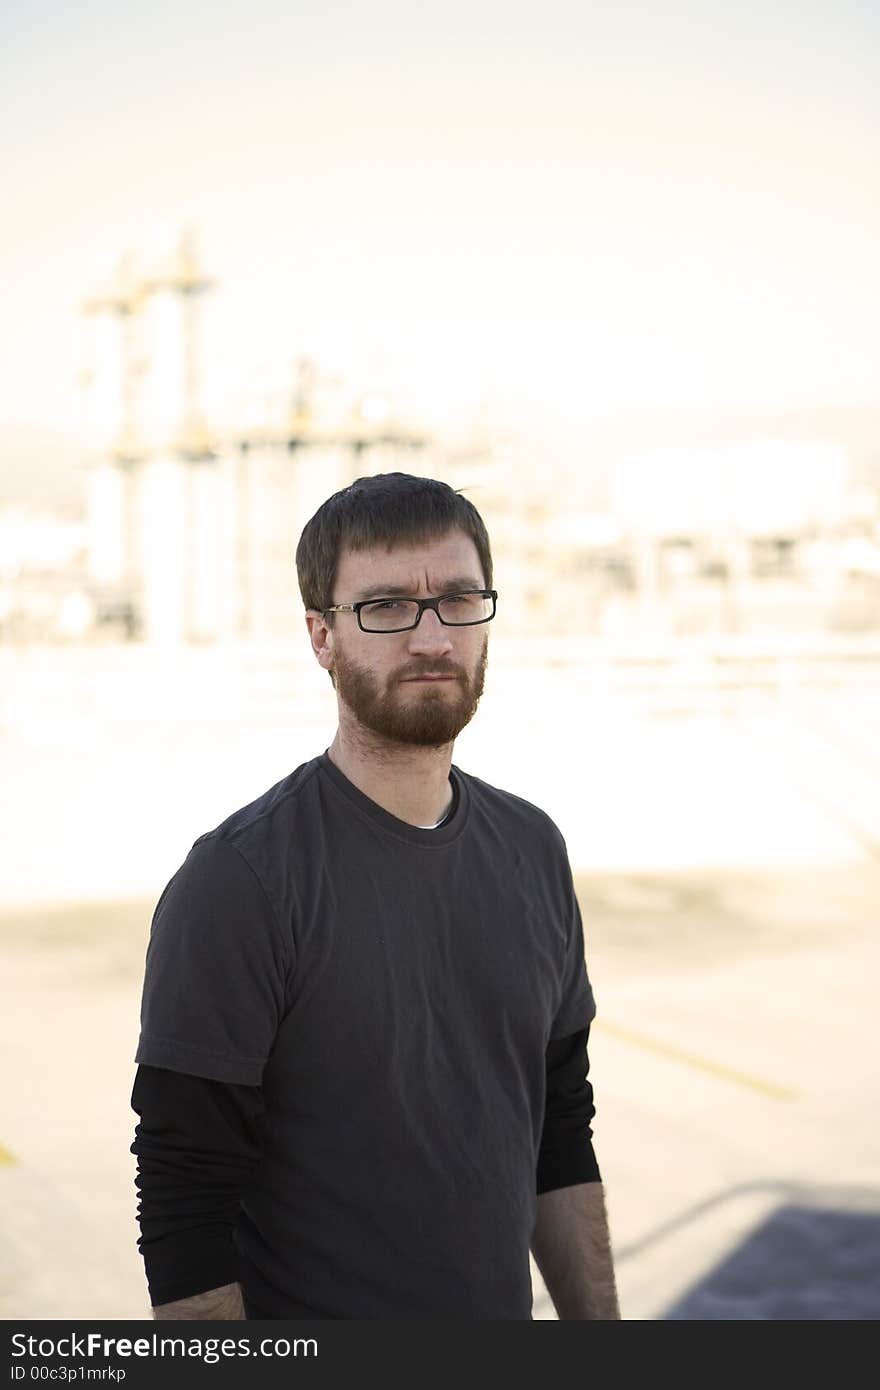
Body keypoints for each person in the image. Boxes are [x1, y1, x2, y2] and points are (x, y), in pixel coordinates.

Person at [131, 472, 619, 1320]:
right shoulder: (239, 881)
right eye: (386, 607)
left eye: (458, 600)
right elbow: (185, 1204)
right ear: (322, 637)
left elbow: (560, 1135)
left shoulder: (533, 848)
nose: (431, 637)